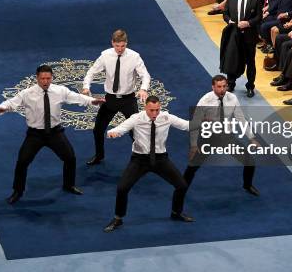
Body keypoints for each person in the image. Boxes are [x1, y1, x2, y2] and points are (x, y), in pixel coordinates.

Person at [0, 64, 104, 204]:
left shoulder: (60, 90)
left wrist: (93, 101)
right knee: (22, 162)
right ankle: (17, 191)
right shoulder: (27, 93)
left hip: (55, 133)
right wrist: (2, 108)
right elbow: (11, 102)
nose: (45, 81)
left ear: (52, 78)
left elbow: (77, 97)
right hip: (35, 135)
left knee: (70, 157)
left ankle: (69, 185)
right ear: (37, 78)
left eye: (48, 78)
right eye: (42, 78)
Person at [103, 96, 192, 233]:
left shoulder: (166, 117)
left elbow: (186, 125)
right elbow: (121, 128)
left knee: (182, 185)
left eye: (157, 110)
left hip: (161, 159)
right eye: (151, 110)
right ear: (145, 107)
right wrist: (113, 133)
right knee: (122, 188)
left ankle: (176, 212)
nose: (155, 114)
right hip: (139, 160)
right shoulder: (136, 118)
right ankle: (118, 218)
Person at [183, 75, 260, 197]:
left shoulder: (232, 98)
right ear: (213, 87)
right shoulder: (205, 101)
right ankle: (182, 188)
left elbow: (241, 119)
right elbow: (194, 124)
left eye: (224, 86)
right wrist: (193, 145)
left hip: (227, 137)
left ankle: (247, 185)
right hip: (209, 138)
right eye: (219, 87)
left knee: (250, 161)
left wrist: (251, 138)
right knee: (192, 166)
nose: (222, 89)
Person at [82, 30, 150, 166]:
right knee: (98, 129)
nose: (120, 49)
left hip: (128, 100)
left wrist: (143, 89)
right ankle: (99, 156)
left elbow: (145, 75)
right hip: (110, 99)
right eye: (117, 46)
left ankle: (143, 158)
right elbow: (91, 72)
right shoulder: (105, 55)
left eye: (123, 46)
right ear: (112, 43)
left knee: (136, 131)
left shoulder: (134, 56)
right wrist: (86, 86)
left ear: (126, 43)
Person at [219, 0, 262, 97]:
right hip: (234, 35)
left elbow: (259, 17)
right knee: (232, 59)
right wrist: (229, 21)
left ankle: (250, 86)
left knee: (250, 62)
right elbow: (225, 14)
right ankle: (231, 84)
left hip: (249, 36)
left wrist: (248, 23)